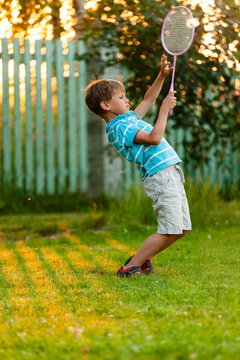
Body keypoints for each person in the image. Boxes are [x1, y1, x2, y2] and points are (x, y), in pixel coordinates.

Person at [85, 55, 192, 277]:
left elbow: (148, 99)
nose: (128, 101)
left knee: (181, 229)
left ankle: (140, 260)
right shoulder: (119, 128)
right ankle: (130, 267)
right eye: (121, 97)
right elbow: (154, 138)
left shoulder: (127, 119)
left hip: (170, 172)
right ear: (106, 105)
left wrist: (161, 77)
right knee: (170, 228)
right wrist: (164, 111)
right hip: (160, 176)